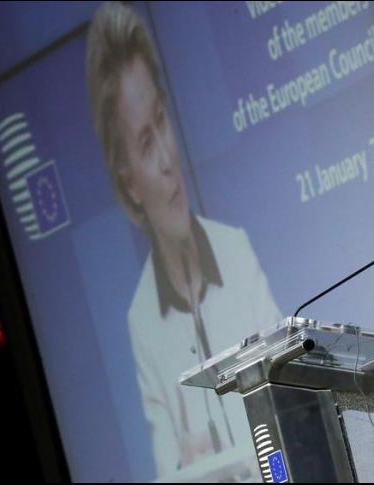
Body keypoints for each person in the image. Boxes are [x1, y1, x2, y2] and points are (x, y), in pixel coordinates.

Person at [86, 2, 282, 479]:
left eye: (162, 121)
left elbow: (294, 391)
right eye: (145, 143)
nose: (168, 159)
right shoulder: (142, 322)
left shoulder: (235, 252)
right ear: (129, 181)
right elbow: (171, 471)